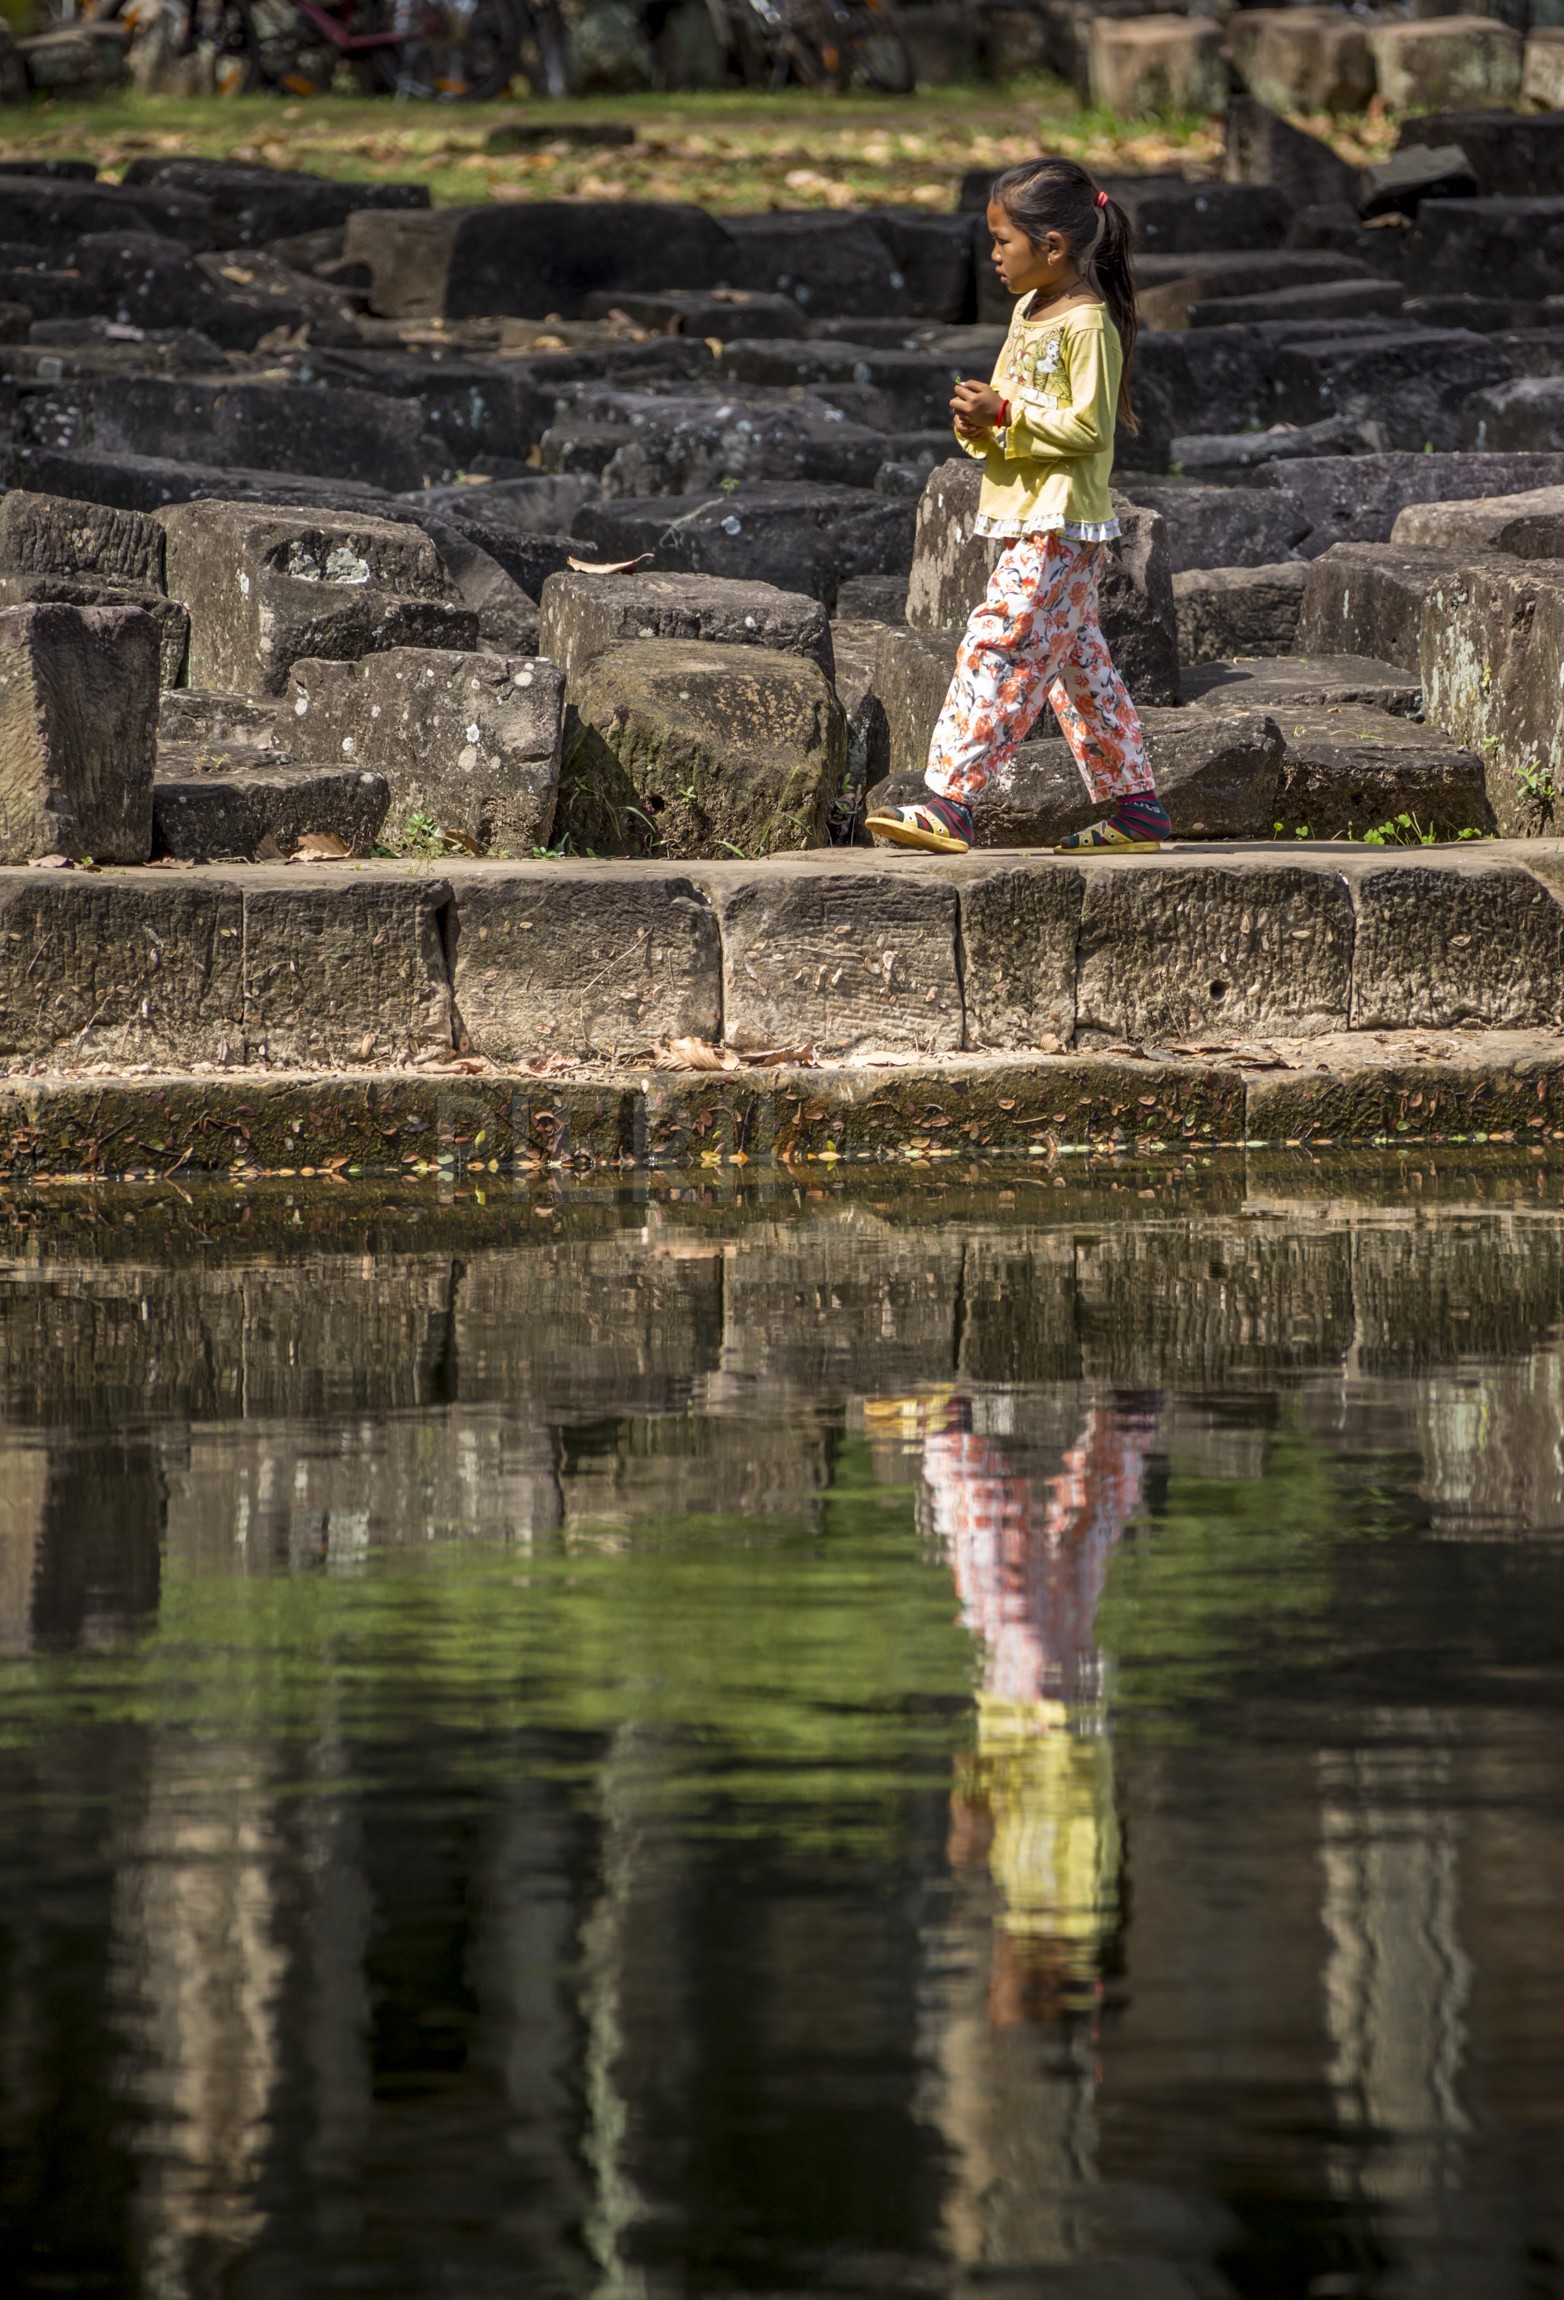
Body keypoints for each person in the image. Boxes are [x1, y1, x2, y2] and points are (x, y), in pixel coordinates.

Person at [866, 158, 1172, 857]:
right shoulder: (1027, 312)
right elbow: (1016, 414)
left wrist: (1005, 410)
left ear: (1053, 247)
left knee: (997, 645)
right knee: (1076, 668)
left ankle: (951, 802)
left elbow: (1090, 429)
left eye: (1004, 241)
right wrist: (980, 425)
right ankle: (1137, 809)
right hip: (1029, 513)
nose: (994, 256)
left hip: (1060, 520)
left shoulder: (1088, 326)